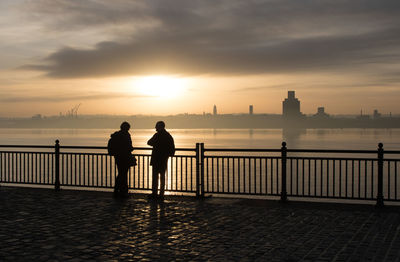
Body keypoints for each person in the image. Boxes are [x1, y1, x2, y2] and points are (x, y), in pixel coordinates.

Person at [147, 121, 175, 200]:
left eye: (156, 126)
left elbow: (149, 142)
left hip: (156, 159)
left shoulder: (157, 135)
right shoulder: (168, 136)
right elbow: (172, 148)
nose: (155, 128)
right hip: (163, 159)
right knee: (162, 176)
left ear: (160, 127)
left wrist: (156, 144)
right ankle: (161, 194)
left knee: (155, 177)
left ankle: (154, 193)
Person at [110, 121, 133, 197]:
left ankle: (118, 190)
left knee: (121, 173)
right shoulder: (126, 135)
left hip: (118, 157)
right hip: (125, 157)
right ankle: (122, 190)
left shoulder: (116, 135)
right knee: (123, 173)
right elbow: (129, 146)